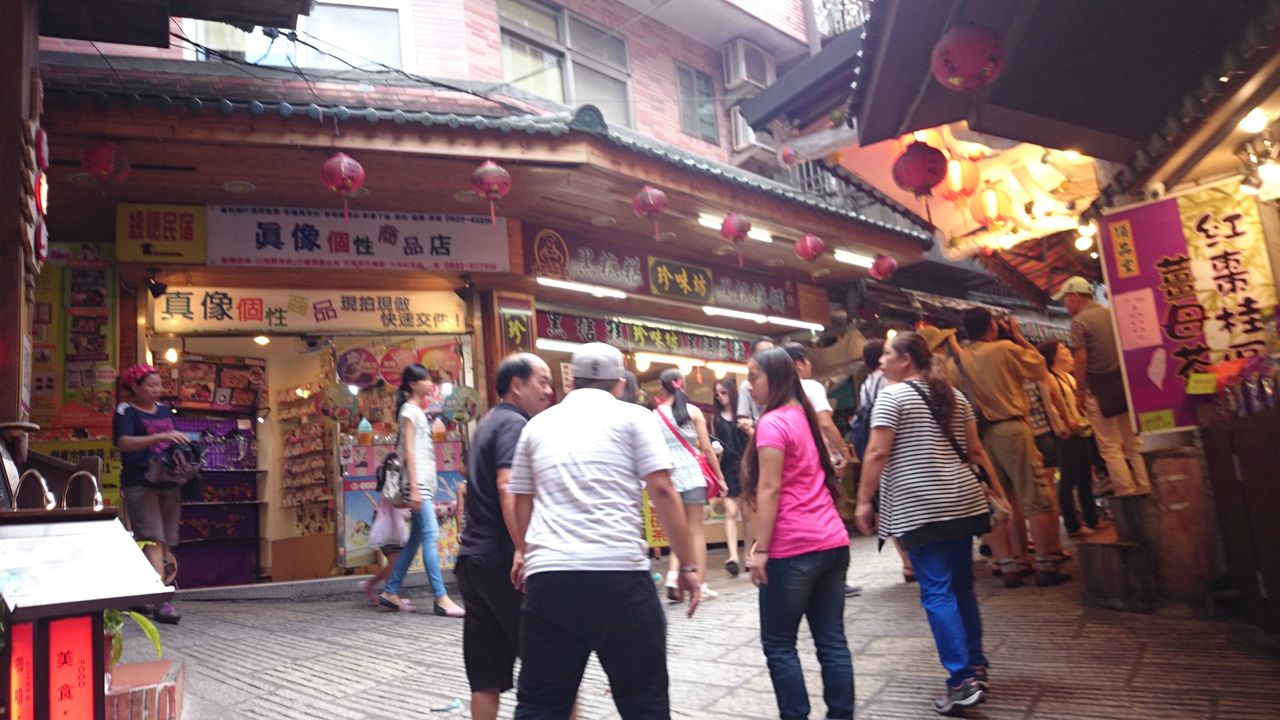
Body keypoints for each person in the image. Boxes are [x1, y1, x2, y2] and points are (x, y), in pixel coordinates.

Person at [509, 342, 702, 719]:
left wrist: (527, 552)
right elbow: (662, 490)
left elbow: (521, 498)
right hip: (621, 578)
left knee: (540, 704)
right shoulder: (636, 417)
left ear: (571, 382)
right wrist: (689, 567)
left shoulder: (537, 425)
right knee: (644, 702)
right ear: (619, 383)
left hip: (551, 580)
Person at [855, 332, 1010, 714]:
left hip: (921, 506)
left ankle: (960, 681)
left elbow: (876, 453)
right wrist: (999, 493)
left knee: (938, 592)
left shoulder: (892, 397)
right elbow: (976, 451)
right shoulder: (955, 396)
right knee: (962, 587)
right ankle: (976, 667)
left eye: (887, 354)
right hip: (962, 501)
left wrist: (863, 501)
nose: (881, 362)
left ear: (905, 359)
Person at [741, 347, 854, 720]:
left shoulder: (772, 423)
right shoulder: (806, 417)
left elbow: (769, 488)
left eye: (754, 377)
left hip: (793, 548)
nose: (749, 385)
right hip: (833, 542)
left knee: (779, 645)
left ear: (775, 377)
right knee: (832, 641)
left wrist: (761, 549)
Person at [456, 354, 556, 720]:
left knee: (486, 677)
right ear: (516, 385)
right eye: (542, 381)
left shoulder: (487, 422)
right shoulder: (515, 424)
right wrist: (522, 548)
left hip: (473, 562)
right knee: (552, 667)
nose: (549, 390)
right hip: (501, 561)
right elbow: (507, 484)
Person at [954, 308, 1070, 587]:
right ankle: (1045, 564)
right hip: (1012, 428)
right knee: (1034, 496)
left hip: (983, 434)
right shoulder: (1005, 349)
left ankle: (1010, 565)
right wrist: (1018, 336)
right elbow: (1039, 366)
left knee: (1001, 500)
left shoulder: (962, 357)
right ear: (992, 327)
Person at [378, 363, 465, 616]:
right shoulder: (409, 411)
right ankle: (441, 597)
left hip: (423, 484)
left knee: (416, 537)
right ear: (413, 384)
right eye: (425, 379)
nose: (430, 383)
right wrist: (415, 488)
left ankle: (391, 592)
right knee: (431, 534)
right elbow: (408, 450)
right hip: (418, 486)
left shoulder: (417, 411)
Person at [1054, 276, 1152, 497]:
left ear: (1075, 297)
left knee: (1110, 446)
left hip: (1098, 391)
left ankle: (1126, 492)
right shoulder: (1110, 313)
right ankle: (1145, 485)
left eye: (1065, 300)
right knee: (1133, 442)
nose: (1065, 305)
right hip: (1123, 385)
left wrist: (1079, 392)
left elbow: (1081, 358)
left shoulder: (1079, 322)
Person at [114, 364, 188, 624]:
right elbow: (123, 442)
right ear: (135, 386)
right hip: (140, 482)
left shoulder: (165, 410)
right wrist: (161, 437)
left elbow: (172, 441)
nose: (157, 389)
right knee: (152, 537)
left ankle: (145, 594)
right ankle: (161, 600)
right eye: (151, 385)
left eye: (159, 385)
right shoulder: (126, 410)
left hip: (169, 481)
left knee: (165, 540)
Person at [656, 368, 727, 601]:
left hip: (670, 477)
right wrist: (720, 477)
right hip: (693, 475)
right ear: (682, 385)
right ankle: (701, 586)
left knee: (678, 530)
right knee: (696, 531)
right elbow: (707, 448)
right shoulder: (693, 411)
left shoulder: (655, 415)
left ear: (662, 388)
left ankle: (672, 577)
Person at [1039, 340, 1100, 536]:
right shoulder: (1049, 377)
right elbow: (1051, 405)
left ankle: (1091, 519)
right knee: (1068, 479)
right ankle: (1072, 524)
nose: (1067, 351)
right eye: (1061, 349)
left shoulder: (1069, 376)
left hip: (1082, 429)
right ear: (1052, 355)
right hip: (1066, 433)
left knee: (1084, 476)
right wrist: (1063, 425)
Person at [781, 342, 851, 471]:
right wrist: (844, 452)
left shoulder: (777, 393)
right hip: (813, 457)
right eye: (807, 360)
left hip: (788, 460)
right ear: (799, 364)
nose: (809, 364)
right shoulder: (812, 387)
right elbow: (825, 424)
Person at [712, 378, 749, 577]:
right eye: (717, 393)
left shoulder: (742, 415)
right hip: (726, 466)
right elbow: (714, 445)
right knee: (731, 512)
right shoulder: (716, 419)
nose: (720, 396)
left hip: (745, 465)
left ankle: (749, 555)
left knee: (748, 513)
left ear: (732, 392)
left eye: (723, 392)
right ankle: (733, 556)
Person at [359, 490, 407, 603]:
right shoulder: (392, 486)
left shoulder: (393, 486)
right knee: (395, 563)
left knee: (393, 564)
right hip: (388, 529)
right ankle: (390, 595)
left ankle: (370, 585)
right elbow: (396, 503)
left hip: (392, 527)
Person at [736, 337, 776, 431]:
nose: (768, 356)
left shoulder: (782, 383)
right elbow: (743, 421)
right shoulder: (746, 386)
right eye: (762, 353)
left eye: (771, 352)